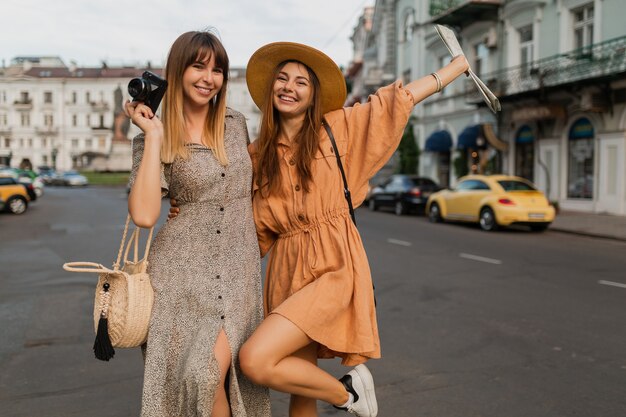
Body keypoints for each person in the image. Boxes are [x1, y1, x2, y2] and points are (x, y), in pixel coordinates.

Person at [170, 42, 469, 417]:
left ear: (313, 96)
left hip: (333, 265)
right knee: (300, 386)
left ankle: (348, 396)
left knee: (256, 360)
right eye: (282, 79)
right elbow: (234, 214)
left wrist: (454, 69)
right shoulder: (256, 155)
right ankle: (345, 396)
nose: (288, 87)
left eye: (300, 82)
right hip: (286, 271)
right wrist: (186, 209)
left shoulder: (338, 129)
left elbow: (395, 101)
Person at [125, 30, 271, 417]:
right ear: (177, 69)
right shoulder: (153, 133)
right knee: (197, 382)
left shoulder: (236, 123)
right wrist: (154, 134)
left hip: (237, 269)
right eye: (198, 66)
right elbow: (143, 215)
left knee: (207, 374)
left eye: (218, 70)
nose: (209, 78)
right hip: (179, 276)